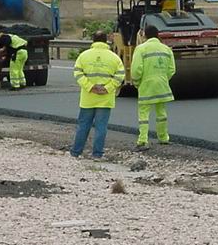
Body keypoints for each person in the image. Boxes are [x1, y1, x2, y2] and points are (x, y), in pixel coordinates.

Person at [70, 31, 125, 159]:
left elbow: (77, 73)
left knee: (83, 125)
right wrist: (108, 88)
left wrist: (90, 87)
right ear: (106, 41)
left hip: (88, 98)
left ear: (93, 40)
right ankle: (97, 154)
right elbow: (120, 75)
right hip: (105, 99)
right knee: (101, 127)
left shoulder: (84, 56)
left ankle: (76, 152)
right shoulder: (114, 57)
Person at [130, 24, 176, 150]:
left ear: (144, 35)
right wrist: (163, 78)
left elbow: (136, 70)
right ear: (158, 35)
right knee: (161, 112)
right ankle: (163, 138)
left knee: (144, 114)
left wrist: (137, 82)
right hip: (161, 85)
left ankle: (143, 140)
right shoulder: (166, 49)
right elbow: (172, 69)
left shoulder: (141, 49)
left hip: (146, 86)